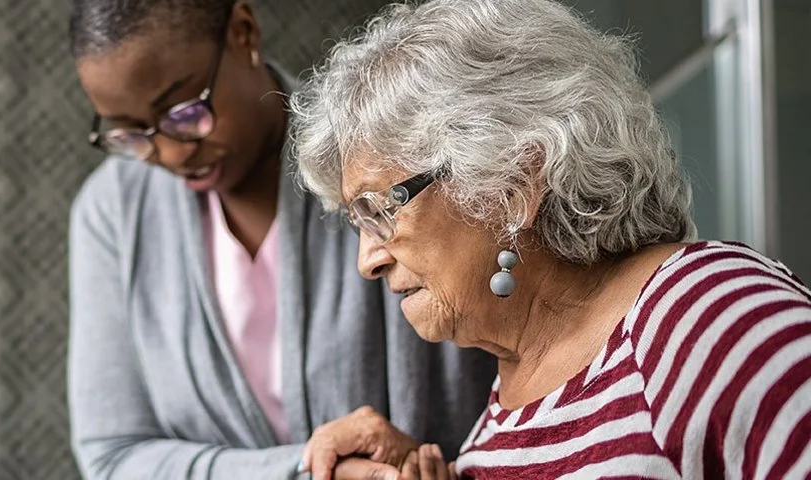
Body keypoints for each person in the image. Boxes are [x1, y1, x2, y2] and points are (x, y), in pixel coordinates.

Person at [290, 0, 811, 478]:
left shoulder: (701, 314)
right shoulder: (490, 432)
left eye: (380, 208)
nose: (367, 262)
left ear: (512, 186)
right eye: (357, 222)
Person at [65, 0, 497, 478]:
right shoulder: (113, 213)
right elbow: (114, 456)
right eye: (131, 134)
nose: (169, 152)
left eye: (185, 111)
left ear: (244, 32)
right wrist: (309, 469)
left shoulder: (387, 156)